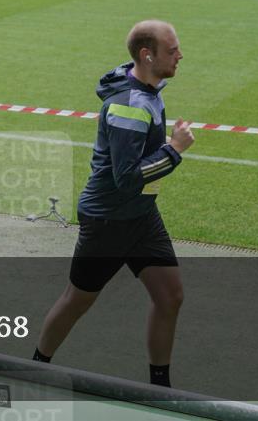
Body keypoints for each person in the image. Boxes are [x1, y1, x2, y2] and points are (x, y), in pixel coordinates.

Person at [33, 20, 194, 388]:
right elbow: (127, 179)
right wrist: (174, 150)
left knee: (170, 296)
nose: (180, 55)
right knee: (78, 300)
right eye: (173, 50)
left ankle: (159, 388)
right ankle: (37, 366)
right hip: (108, 220)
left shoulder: (145, 84)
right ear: (146, 55)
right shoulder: (130, 106)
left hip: (140, 216)